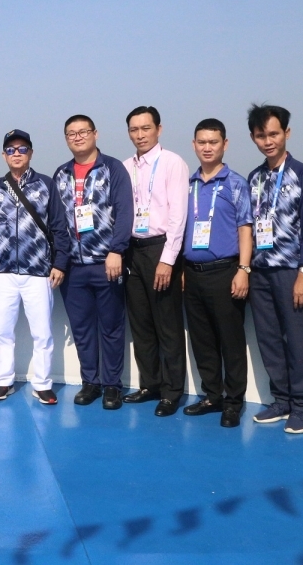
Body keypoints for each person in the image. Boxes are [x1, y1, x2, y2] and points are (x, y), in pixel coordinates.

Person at [246, 104, 303, 434]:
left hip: (292, 272)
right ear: (253, 137)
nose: (268, 141)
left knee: (299, 340)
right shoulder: (254, 178)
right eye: (261, 135)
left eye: (274, 134)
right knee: (269, 339)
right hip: (260, 271)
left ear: (286, 133)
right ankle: (281, 400)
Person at [0, 130, 70, 404]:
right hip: (4, 272)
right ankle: (3, 381)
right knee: (1, 331)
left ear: (30, 152)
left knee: (42, 332)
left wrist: (60, 263)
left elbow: (59, 227)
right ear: (4, 155)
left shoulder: (46, 184)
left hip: (38, 271)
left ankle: (42, 384)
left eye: (22, 149)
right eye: (11, 149)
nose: (16, 153)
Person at [53, 114, 134, 410]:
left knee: (111, 327)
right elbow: (56, 222)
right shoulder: (61, 173)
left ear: (95, 134)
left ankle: (112, 385)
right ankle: (90, 382)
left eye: (83, 131)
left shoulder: (112, 168)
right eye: (71, 133)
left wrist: (117, 250)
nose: (78, 137)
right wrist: (59, 261)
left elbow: (125, 212)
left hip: (106, 263)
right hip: (73, 266)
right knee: (82, 328)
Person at [180, 119, 254, 428]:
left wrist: (244, 269)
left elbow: (245, 228)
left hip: (225, 272)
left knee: (230, 341)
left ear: (225, 144)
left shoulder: (236, 183)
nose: (207, 147)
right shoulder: (188, 184)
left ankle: (233, 402)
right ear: (194, 145)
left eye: (213, 142)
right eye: (202, 142)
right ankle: (212, 395)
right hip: (192, 273)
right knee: (202, 340)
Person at [121, 106, 191, 416]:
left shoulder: (173, 163)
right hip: (133, 250)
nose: (140, 135)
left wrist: (168, 260)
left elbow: (178, 215)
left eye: (146, 128)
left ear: (158, 129)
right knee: (141, 324)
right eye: (134, 129)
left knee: (168, 325)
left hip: (161, 249)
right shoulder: (126, 167)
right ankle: (150, 384)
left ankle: (172, 391)